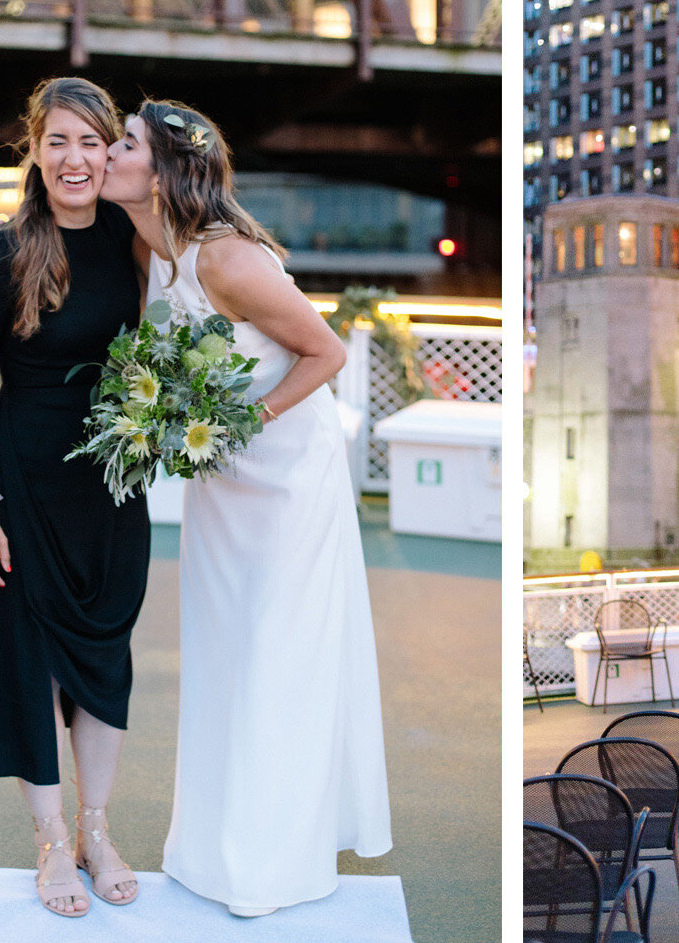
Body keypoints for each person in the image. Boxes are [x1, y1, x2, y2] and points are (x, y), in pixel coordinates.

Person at [101, 99, 393, 917]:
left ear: (159, 173)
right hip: (219, 485)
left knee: (275, 659)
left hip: (286, 483)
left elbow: (325, 351)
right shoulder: (146, 247)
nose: (110, 153)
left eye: (123, 144)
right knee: (223, 657)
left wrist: (237, 425)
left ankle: (274, 867)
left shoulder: (227, 260)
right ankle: (210, 852)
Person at [0, 77, 149, 917]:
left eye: (90, 142)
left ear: (111, 151)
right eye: (57, 141)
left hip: (108, 485)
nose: (74, 159)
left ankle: (95, 832)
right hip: (22, 482)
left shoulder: (135, 242)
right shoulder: (2, 252)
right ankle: (48, 843)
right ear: (34, 149)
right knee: (29, 668)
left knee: (104, 663)